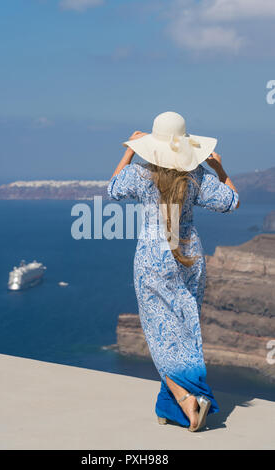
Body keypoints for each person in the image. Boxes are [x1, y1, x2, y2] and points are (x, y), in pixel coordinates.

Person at [107, 111, 240, 432]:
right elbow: (232, 200)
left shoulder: (140, 174)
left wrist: (128, 150)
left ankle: (186, 398)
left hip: (154, 253)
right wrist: (219, 167)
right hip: (189, 251)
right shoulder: (198, 175)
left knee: (160, 331)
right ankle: (170, 408)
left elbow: (112, 189)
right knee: (184, 327)